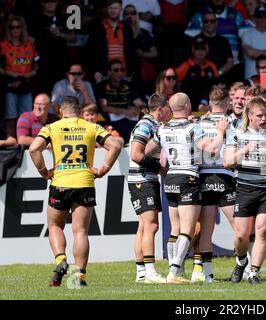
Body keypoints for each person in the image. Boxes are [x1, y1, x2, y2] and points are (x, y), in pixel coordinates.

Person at [28, 96, 121, 287]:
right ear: (79, 112)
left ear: (61, 111)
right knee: (80, 232)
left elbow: (33, 149)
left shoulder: (51, 127)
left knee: (55, 227)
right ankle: (79, 278)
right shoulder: (91, 126)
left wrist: (44, 172)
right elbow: (115, 145)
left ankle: (61, 260)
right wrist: (103, 169)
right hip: (85, 181)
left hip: (60, 181)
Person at [144, 92, 221, 284]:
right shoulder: (193, 127)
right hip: (188, 177)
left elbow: (147, 150)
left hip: (170, 179)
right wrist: (220, 132)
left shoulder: (162, 128)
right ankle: (174, 272)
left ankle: (173, 268)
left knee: (175, 229)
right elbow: (211, 149)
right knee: (187, 229)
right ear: (187, 105)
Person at [225, 97, 266, 284]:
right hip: (245, 187)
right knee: (241, 234)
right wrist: (244, 149)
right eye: (260, 116)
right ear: (249, 116)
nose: (264, 119)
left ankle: (254, 272)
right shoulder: (237, 133)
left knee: (262, 230)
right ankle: (241, 261)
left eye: (265, 115)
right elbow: (227, 161)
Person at [128, 94, 171, 284]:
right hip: (142, 179)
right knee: (152, 225)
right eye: (168, 108)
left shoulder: (154, 125)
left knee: (144, 227)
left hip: (145, 178)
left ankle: (141, 272)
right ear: (160, 109)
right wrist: (161, 169)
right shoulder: (146, 125)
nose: (170, 111)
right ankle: (151, 271)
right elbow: (136, 154)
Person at [196, 88, 235, 283]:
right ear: (227, 103)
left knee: (206, 229)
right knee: (239, 226)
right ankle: (245, 267)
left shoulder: (199, 123)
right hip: (225, 175)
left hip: (204, 177)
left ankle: (207, 274)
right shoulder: (233, 122)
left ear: (210, 103)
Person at [0, 15, 39, 139]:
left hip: (26, 83)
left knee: (26, 115)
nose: (15, 30)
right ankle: (11, 141)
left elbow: (37, 62)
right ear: (8, 29)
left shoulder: (29, 45)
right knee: (11, 115)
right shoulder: (3, 45)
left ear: (22, 29)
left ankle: (25, 140)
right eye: (12, 27)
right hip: (10, 84)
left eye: (18, 27)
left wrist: (32, 73)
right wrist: (8, 73)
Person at [86, 0, 136, 84]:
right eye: (110, 8)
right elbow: (90, 52)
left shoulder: (127, 28)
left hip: (124, 73)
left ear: (121, 9)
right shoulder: (98, 27)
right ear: (106, 9)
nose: (113, 10)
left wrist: (132, 71)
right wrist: (95, 71)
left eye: (115, 8)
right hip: (103, 73)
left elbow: (132, 51)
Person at [96, 59, 146, 143]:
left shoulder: (129, 85)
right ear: (109, 72)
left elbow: (139, 103)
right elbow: (103, 107)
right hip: (108, 119)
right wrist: (124, 111)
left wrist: (141, 108)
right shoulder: (102, 86)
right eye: (116, 70)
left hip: (127, 117)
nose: (120, 72)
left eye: (122, 70)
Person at [123, 4, 159, 96]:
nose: (129, 16)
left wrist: (143, 54)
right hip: (124, 71)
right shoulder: (120, 32)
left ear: (137, 16)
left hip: (141, 73)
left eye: (133, 13)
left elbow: (155, 53)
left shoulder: (144, 33)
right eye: (126, 14)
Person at [176, 36, 219, 111]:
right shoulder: (185, 66)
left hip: (207, 108)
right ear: (192, 50)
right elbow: (174, 81)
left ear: (207, 50)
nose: (200, 51)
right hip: (188, 108)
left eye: (203, 48)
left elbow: (216, 87)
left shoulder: (212, 66)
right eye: (197, 48)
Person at [194, 10, 234, 83]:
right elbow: (190, 61)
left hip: (220, 79)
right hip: (200, 79)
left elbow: (230, 62)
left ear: (216, 22)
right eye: (206, 21)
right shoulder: (195, 40)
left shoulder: (223, 41)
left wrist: (218, 73)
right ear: (202, 23)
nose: (209, 23)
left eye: (212, 21)